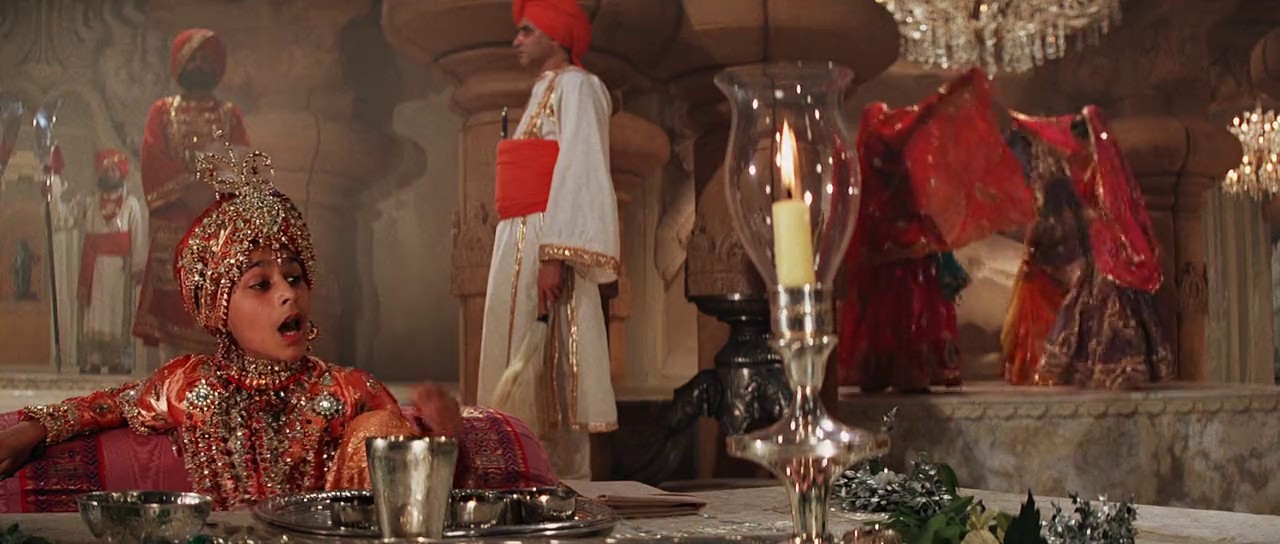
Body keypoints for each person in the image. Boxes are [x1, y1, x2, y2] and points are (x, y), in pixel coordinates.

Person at [0, 137, 463, 508]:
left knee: (378, 428)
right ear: (218, 308)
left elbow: (418, 492)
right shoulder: (188, 384)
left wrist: (445, 441)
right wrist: (31, 430)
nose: (287, 293)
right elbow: (108, 405)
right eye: (260, 284)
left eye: (294, 277)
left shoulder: (350, 392)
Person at [476, 0, 619, 479]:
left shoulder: (578, 86)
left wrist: (555, 254)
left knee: (551, 365)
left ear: (557, 36)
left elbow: (580, 167)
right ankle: (514, 473)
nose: (516, 40)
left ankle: (557, 479)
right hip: (517, 238)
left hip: (544, 239)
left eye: (527, 31)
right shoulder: (545, 88)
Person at [839, 69, 1033, 393]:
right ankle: (905, 367)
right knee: (907, 305)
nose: (890, 119)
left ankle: (889, 368)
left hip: (892, 242)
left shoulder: (874, 155)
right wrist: (945, 95)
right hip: (899, 242)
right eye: (885, 117)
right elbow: (914, 121)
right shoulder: (882, 143)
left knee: (892, 306)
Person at [1011, 107, 1172, 389]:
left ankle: (1122, 366)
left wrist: (1096, 221)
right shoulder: (1092, 167)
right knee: (1090, 300)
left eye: (1082, 142)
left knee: (1111, 299)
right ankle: (1093, 367)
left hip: (1112, 245)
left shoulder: (1106, 169)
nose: (1079, 149)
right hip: (1100, 244)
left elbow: (1113, 208)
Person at [134, 28, 250, 366]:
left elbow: (240, 161)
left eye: (205, 59)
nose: (199, 65)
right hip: (174, 221)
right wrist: (188, 188)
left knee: (217, 301)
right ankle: (172, 383)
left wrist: (211, 190)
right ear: (179, 64)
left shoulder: (229, 114)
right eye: (192, 58)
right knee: (172, 305)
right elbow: (153, 159)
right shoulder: (162, 111)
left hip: (216, 220)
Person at [66, 150, 148, 375]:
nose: (109, 173)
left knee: (116, 312)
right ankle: (93, 359)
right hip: (94, 267)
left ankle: (115, 360)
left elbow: (138, 237)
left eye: (113, 169)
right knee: (93, 312)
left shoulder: (130, 204)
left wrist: (138, 266)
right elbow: (67, 218)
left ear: (121, 173)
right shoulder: (90, 202)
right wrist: (51, 194)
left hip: (119, 268)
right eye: (106, 170)